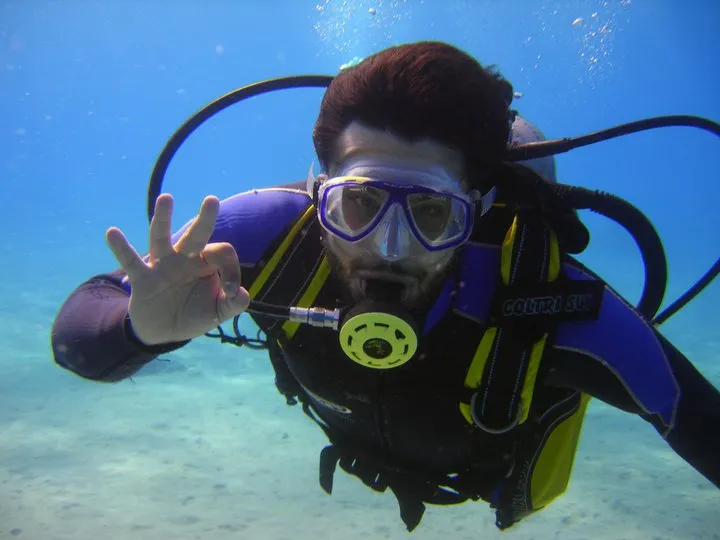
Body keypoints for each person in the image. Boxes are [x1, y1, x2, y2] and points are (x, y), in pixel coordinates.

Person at [51, 41, 719, 532]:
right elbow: (78, 336)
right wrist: (139, 330)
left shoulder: (547, 301)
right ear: (319, 191)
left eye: (432, 213)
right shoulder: (269, 233)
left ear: (479, 210)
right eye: (359, 204)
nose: (389, 248)